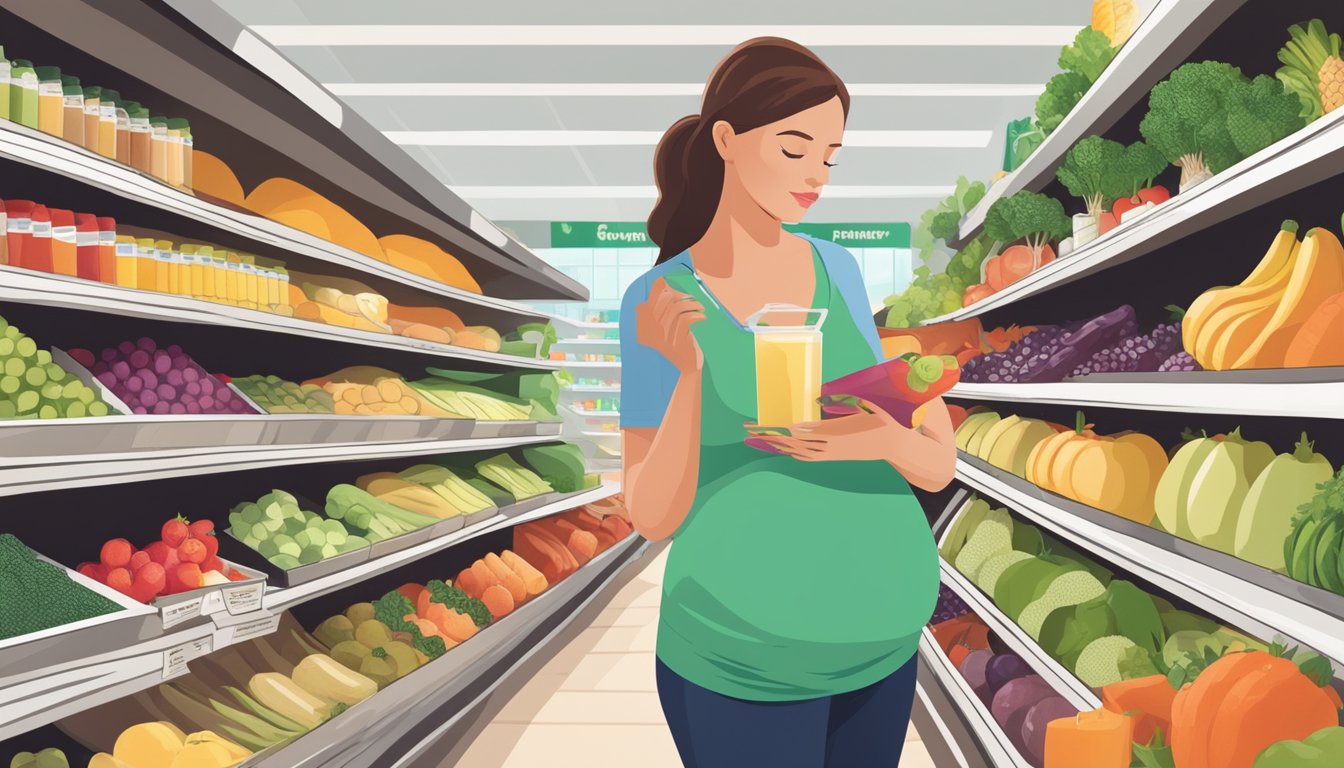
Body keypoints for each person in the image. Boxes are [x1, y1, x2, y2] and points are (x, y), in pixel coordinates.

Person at [620, 36, 957, 768]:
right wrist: (687, 376)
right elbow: (650, 515)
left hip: (884, 639)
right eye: (795, 148)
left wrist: (889, 435)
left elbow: (922, 454)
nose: (816, 177)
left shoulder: (838, 267)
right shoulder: (660, 301)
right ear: (726, 141)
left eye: (830, 156)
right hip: (748, 660)